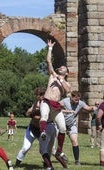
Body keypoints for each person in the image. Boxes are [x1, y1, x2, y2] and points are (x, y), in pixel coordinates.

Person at [39, 39, 71, 168]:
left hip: (56, 106)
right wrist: (50, 48)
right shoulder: (52, 75)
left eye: (63, 68)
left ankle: (59, 150)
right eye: (61, 67)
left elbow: (67, 90)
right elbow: (48, 61)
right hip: (47, 101)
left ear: (66, 73)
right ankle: (43, 132)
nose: (61, 67)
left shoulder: (66, 83)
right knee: (44, 116)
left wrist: (60, 80)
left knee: (63, 128)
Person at [59, 90, 94, 165]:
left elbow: (88, 108)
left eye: (78, 100)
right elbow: (56, 108)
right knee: (56, 141)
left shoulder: (80, 103)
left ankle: (77, 161)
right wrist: (66, 111)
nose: (77, 101)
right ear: (71, 97)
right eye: (75, 100)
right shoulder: (65, 101)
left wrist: (93, 108)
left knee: (74, 140)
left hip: (71, 125)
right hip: (60, 124)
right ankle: (60, 154)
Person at [14, 87, 46, 167]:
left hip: (42, 131)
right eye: (37, 95)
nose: (38, 96)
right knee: (25, 148)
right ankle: (17, 165)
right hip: (32, 129)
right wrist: (31, 111)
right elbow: (27, 113)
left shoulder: (46, 105)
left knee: (44, 150)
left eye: (40, 95)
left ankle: (47, 165)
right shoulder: (35, 103)